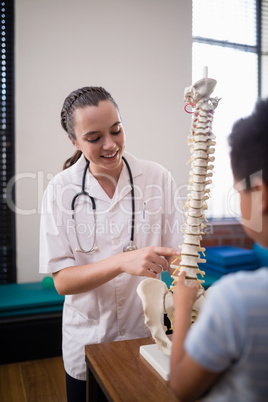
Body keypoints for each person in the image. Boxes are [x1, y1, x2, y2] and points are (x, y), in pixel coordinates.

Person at [39, 86, 182, 401]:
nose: (110, 144)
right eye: (94, 138)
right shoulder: (60, 190)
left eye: (116, 130)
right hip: (88, 340)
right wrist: (120, 262)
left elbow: (178, 256)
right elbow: (62, 281)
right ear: (74, 142)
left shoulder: (158, 178)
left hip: (145, 338)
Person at [170, 98, 268, 401]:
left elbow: (181, 387)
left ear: (260, 195)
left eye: (239, 191)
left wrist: (182, 305)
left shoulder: (238, 299)